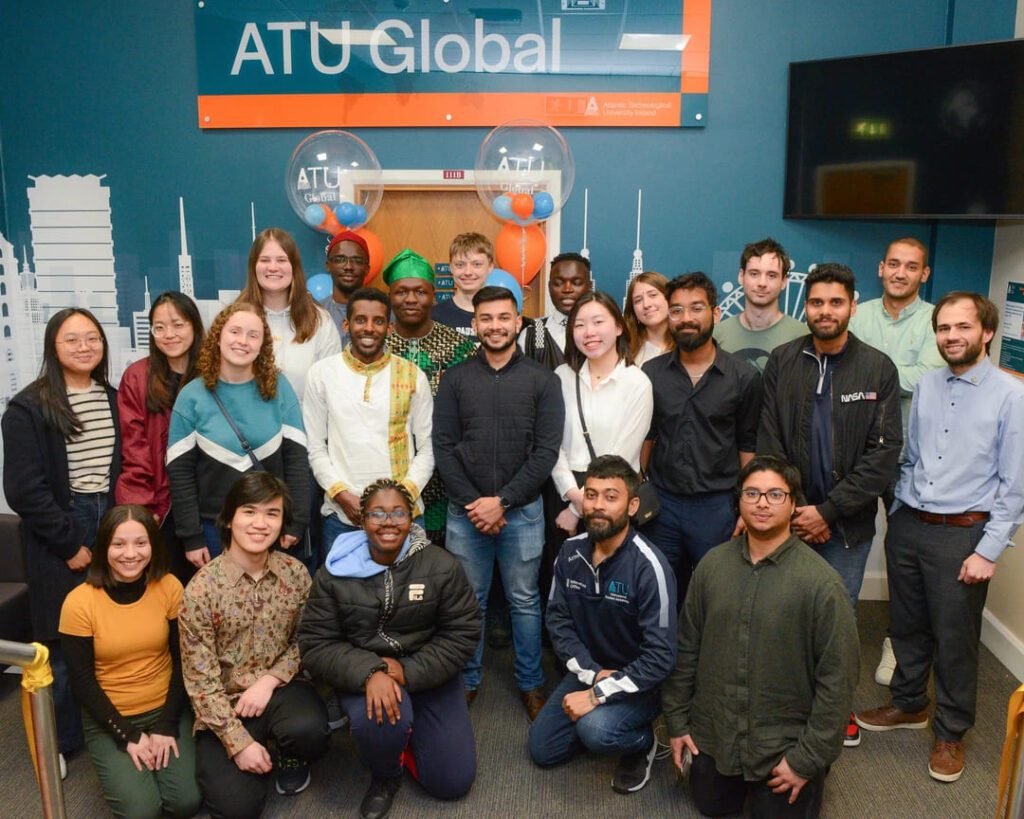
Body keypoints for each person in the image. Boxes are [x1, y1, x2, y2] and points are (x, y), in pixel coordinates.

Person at [856, 292, 1024, 783]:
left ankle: (951, 733)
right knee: (906, 624)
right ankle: (909, 704)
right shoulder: (927, 386)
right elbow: (913, 455)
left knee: (954, 638)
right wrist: (902, 505)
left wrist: (989, 550)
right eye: (944, 328)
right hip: (911, 524)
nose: (952, 336)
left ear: (986, 332)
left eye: (963, 327)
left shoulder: (1012, 395)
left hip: (964, 534)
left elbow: (1015, 484)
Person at [662, 455, 859, 819]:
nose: (762, 503)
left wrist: (805, 760)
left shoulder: (822, 584)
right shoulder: (711, 566)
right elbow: (687, 648)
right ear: (738, 502)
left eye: (775, 494)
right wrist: (677, 722)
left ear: (794, 503)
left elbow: (838, 680)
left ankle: (815, 772)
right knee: (711, 805)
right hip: (718, 733)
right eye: (752, 493)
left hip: (783, 744)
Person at [758, 263, 901, 748]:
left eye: (835, 302)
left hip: (846, 527)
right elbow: (770, 440)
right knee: (784, 616)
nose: (824, 311)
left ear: (851, 306)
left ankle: (835, 711)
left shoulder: (877, 367)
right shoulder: (782, 360)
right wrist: (798, 508)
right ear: (807, 307)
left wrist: (829, 511)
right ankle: (788, 706)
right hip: (788, 519)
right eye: (816, 302)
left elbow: (884, 455)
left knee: (837, 622)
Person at [299, 478, 480, 819]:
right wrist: (370, 672)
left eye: (398, 512)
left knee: (451, 783)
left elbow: (463, 632)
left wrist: (405, 671)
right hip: (364, 672)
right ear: (361, 519)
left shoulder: (440, 565)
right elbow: (316, 643)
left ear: (411, 519)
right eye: (377, 513)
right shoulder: (334, 571)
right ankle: (386, 775)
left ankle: (408, 737)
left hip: (428, 671)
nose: (388, 522)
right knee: (380, 722)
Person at [433, 285, 565, 719]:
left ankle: (530, 683)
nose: (495, 326)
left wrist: (503, 502)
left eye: (503, 317)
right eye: (485, 318)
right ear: (474, 324)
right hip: (465, 513)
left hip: (522, 513)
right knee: (468, 600)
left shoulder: (542, 380)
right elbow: (444, 446)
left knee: (525, 600)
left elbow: (546, 452)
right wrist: (475, 503)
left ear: (518, 321)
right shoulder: (455, 380)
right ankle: (468, 680)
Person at [2, 307, 120, 764]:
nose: (84, 347)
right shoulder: (28, 407)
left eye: (92, 338)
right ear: (53, 346)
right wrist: (69, 544)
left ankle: (99, 728)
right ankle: (60, 747)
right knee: (61, 642)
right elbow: (24, 490)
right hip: (60, 528)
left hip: (108, 519)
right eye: (72, 340)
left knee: (103, 635)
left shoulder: (110, 396)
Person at [179, 473, 329, 818]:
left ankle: (289, 751)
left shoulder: (295, 573)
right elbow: (201, 684)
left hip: (279, 691)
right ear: (230, 518)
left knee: (311, 731)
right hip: (223, 706)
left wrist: (270, 679)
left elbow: (307, 639)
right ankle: (255, 755)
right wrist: (239, 743)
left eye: (272, 514)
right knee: (236, 809)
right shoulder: (201, 591)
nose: (260, 524)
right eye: (249, 511)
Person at [529, 455, 676, 795]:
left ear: (632, 505)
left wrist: (597, 695)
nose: (597, 506)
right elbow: (558, 622)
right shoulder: (569, 552)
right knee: (543, 750)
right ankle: (600, 724)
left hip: (641, 681)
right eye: (591, 495)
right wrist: (593, 676)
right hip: (592, 670)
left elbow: (661, 658)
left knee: (596, 732)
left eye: (611, 497)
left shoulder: (649, 566)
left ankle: (642, 743)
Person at [59, 505, 201, 819]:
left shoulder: (170, 587)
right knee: (142, 811)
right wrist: (128, 735)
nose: (130, 554)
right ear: (103, 547)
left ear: (153, 545)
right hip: (110, 715)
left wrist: (166, 725)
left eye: (141, 543)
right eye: (118, 544)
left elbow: (184, 662)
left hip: (166, 708)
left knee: (186, 802)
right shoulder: (79, 603)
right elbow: (81, 682)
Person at [848, 237, 944, 686]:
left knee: (904, 560)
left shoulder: (934, 321)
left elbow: (925, 378)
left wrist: (868, 376)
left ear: (924, 274)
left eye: (912, 266)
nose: (901, 272)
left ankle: (897, 643)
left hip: (909, 458)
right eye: (893, 264)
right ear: (880, 268)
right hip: (855, 456)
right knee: (845, 546)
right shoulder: (857, 314)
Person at [642, 272, 761, 596]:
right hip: (662, 506)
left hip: (717, 506)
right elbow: (647, 436)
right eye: (677, 310)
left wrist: (745, 505)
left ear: (716, 313)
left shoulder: (744, 377)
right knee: (661, 594)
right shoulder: (651, 374)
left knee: (718, 593)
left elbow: (748, 444)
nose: (686, 318)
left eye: (696, 308)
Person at [167, 302, 309, 569]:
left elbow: (297, 461)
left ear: (262, 345)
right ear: (218, 337)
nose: (243, 341)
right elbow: (180, 473)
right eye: (235, 332)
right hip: (213, 531)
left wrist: (296, 522)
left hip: (269, 528)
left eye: (253, 335)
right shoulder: (191, 396)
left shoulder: (281, 389)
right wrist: (191, 536)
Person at [303, 286, 434, 549]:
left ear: (389, 327)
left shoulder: (411, 375)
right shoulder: (322, 374)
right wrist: (341, 495)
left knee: (406, 590)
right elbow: (315, 447)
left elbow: (428, 447)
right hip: (343, 515)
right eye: (361, 320)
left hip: (402, 515)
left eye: (378, 321)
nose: (369, 328)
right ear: (345, 324)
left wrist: (401, 499)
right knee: (345, 590)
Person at [549, 291, 652, 563]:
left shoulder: (637, 383)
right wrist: (571, 495)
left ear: (619, 327)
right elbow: (551, 443)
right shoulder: (561, 377)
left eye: (598, 322)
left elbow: (624, 456)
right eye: (579, 325)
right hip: (562, 489)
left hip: (612, 497)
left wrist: (578, 508)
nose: (588, 332)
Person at [384, 249, 476, 545]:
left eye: (420, 292)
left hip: (447, 477)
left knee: (441, 565)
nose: (411, 299)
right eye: (401, 292)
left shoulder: (461, 347)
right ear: (390, 297)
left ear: (433, 296)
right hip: (387, 473)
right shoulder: (375, 347)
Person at [116, 291, 204, 582]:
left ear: (194, 326)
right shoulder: (138, 376)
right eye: (159, 327)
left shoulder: (214, 373)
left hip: (208, 503)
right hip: (162, 505)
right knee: (163, 588)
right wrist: (143, 508)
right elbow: (134, 447)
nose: (169, 334)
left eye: (178, 325)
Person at [238, 226, 341, 402]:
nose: (273, 267)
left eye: (281, 260)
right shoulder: (234, 319)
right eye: (264, 260)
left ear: (294, 267)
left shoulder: (320, 322)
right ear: (253, 266)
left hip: (304, 427)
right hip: (246, 427)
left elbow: (332, 389)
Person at [714, 237, 806, 373]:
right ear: (741, 276)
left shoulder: (802, 337)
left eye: (772, 275)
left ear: (784, 281)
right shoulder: (717, 335)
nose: (762, 283)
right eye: (754, 274)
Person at [519, 252, 592, 370]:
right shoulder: (532, 334)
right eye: (558, 283)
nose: (567, 289)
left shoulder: (600, 333)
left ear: (589, 286)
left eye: (576, 283)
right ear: (549, 287)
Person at [432, 232, 494, 336]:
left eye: (477, 264)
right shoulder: (434, 317)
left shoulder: (503, 316)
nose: (468, 272)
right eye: (460, 265)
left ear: (490, 267)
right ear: (451, 267)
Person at [320, 229, 372, 344]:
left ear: (367, 269)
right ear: (328, 266)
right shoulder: (316, 313)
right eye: (339, 260)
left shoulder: (382, 312)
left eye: (357, 260)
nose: (348, 266)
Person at [623, 271, 672, 366]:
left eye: (653, 295)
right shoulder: (624, 349)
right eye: (638, 300)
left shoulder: (686, 344)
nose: (646, 304)